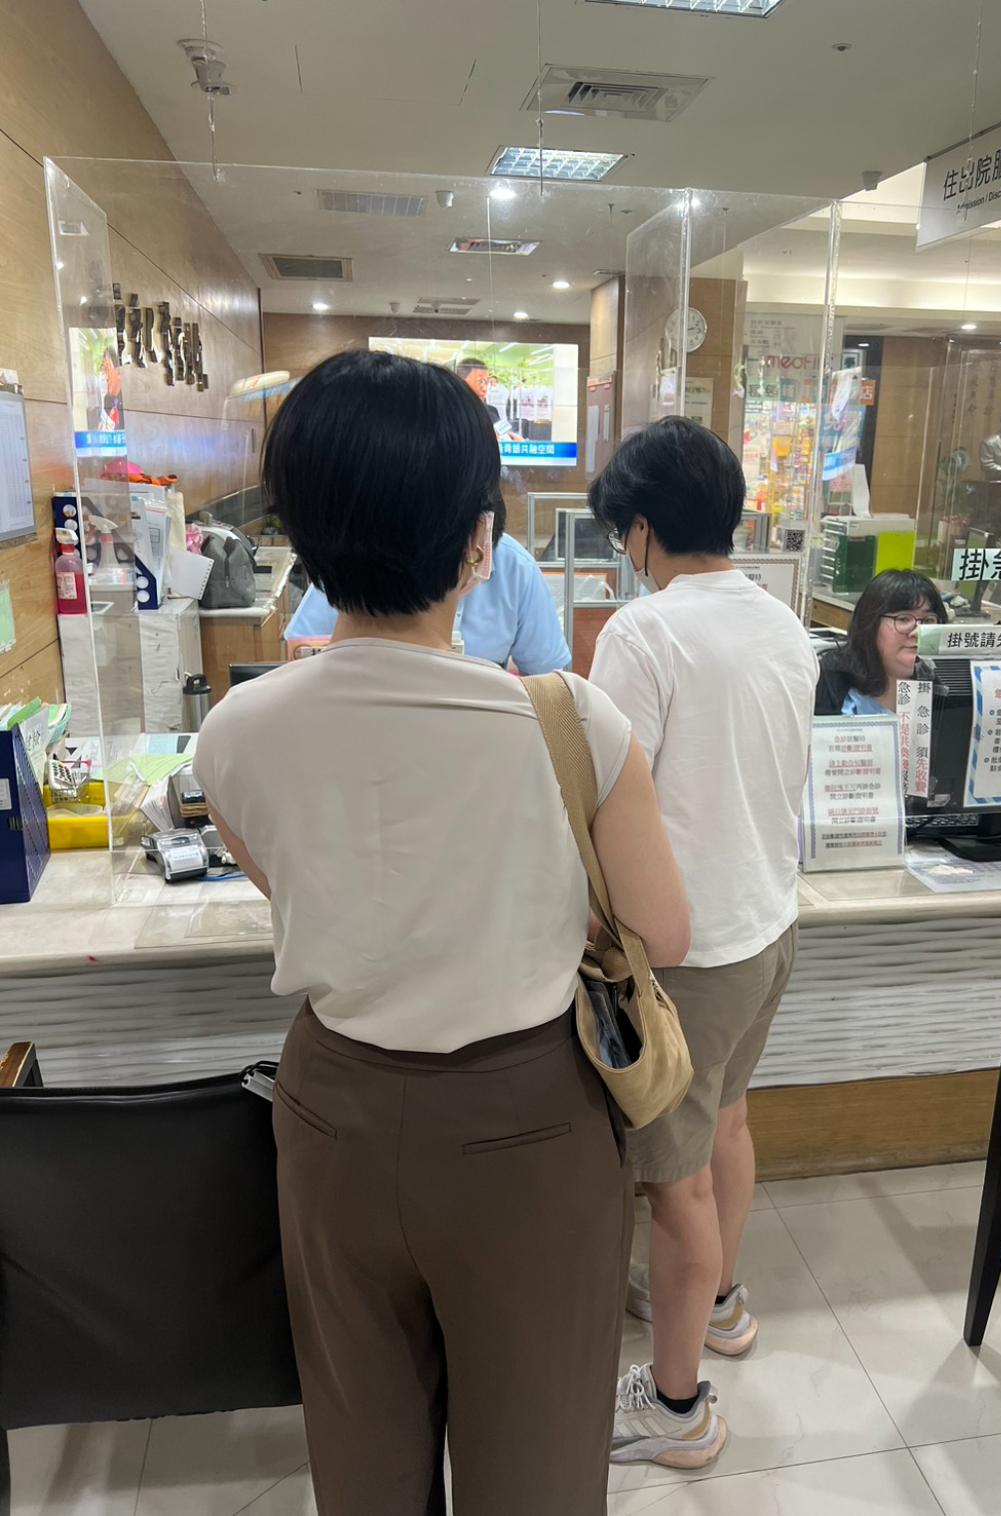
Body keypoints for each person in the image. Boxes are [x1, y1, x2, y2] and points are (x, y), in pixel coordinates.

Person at [194, 351, 690, 1516]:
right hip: (531, 1123)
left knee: (362, 1454)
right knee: (537, 1467)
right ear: (480, 540)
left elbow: (291, 885)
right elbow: (661, 929)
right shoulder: (573, 722)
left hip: (333, 1113)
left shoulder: (235, 732)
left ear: (299, 537)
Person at [587, 416, 817, 1469]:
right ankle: (721, 1303)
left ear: (640, 530)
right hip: (766, 927)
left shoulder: (644, 632)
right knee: (726, 1120)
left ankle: (677, 1407)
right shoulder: (782, 621)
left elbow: (607, 797)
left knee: (672, 1183)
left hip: (688, 955)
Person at [285, 491, 572, 674]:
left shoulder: (516, 567)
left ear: (480, 535)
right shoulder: (360, 558)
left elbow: (549, 676)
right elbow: (300, 653)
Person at [815, 570, 948, 716]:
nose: (917, 632)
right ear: (870, 624)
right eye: (903, 619)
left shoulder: (938, 687)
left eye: (928, 620)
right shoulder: (829, 682)